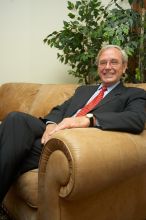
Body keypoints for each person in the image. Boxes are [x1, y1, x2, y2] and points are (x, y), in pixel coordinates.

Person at [0, 44, 146, 203]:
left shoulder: (134, 94)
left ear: (124, 67)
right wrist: (50, 125)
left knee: (12, 146)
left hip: (71, 139)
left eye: (114, 62)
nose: (107, 67)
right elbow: (59, 109)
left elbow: (136, 119)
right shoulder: (84, 90)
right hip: (53, 130)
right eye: (103, 63)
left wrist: (88, 119)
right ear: (98, 67)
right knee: (15, 118)